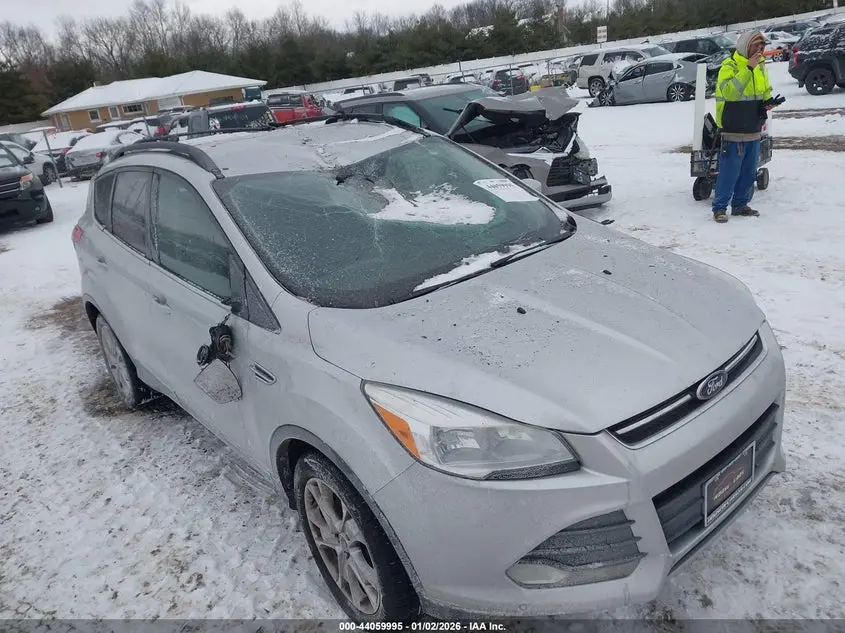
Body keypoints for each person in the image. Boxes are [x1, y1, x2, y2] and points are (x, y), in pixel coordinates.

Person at [711, 31, 774, 224]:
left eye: (762, 47)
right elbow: (730, 92)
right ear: (746, 46)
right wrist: (748, 68)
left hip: (753, 126)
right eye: (756, 47)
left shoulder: (760, 66)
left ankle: (740, 204)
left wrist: (768, 101)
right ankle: (720, 208)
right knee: (730, 171)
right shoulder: (729, 66)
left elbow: (764, 89)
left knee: (748, 171)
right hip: (733, 127)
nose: (760, 51)